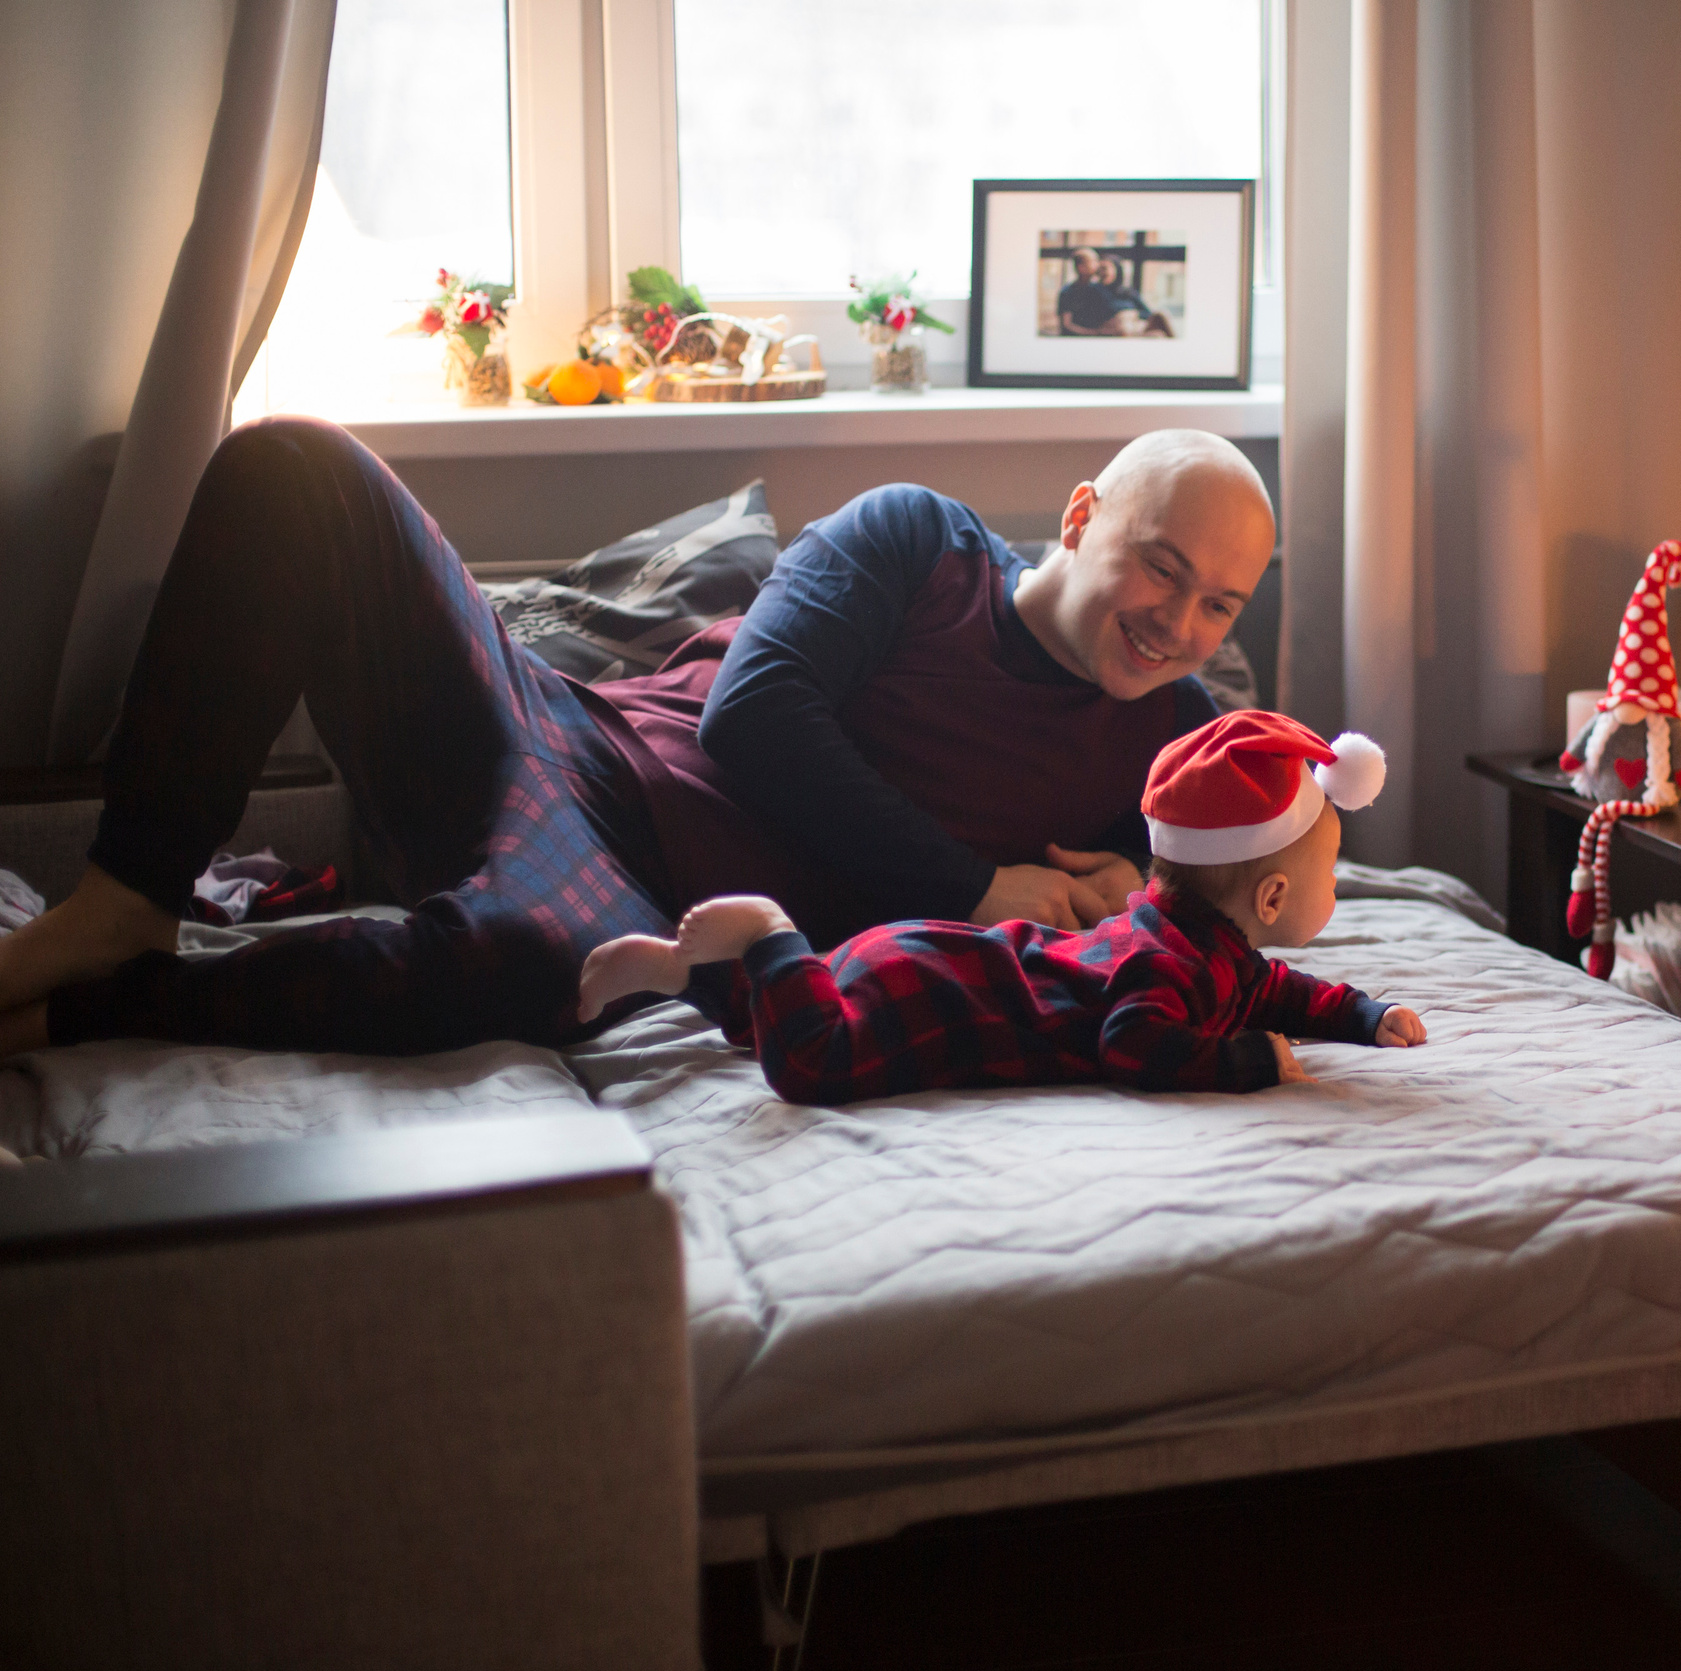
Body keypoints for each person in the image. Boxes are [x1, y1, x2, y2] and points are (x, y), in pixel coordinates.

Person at [0, 422, 1273, 1059]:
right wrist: (977, 883)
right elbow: (755, 716)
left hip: (644, 895)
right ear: (1080, 513)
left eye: (1221, 604)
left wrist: (1136, 895)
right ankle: (123, 898)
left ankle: (95, 1010)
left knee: (539, 964)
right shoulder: (916, 542)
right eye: (1161, 570)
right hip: (566, 748)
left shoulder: (1170, 740)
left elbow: (1256, 881)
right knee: (295, 466)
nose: (1178, 624)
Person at [574, 711, 1424, 1105]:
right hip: (939, 996)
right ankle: (768, 934)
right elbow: (1135, 1045)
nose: (1335, 890)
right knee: (814, 1062)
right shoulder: (1169, 966)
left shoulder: (1200, 942)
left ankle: (690, 974)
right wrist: (1249, 1062)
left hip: (925, 958)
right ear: (1271, 895)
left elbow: (1271, 989)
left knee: (788, 1017)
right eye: (1332, 874)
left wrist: (1362, 1014)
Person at [1056, 249, 1174, 338]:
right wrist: (1097, 333)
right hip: (1119, 331)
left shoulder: (1125, 291)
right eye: (1094, 262)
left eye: (1102, 266)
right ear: (1081, 267)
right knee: (1157, 336)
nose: (1097, 266)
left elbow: (1147, 313)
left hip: (1133, 325)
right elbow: (1068, 326)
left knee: (1161, 316)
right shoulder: (1083, 291)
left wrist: (1131, 315)